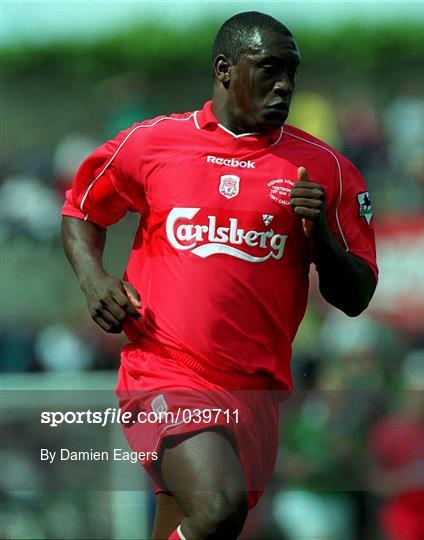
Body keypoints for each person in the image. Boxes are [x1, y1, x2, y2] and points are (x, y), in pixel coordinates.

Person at [61, 11, 378, 540]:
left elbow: (357, 296)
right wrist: (95, 280)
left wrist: (320, 233)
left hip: (257, 390)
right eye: (270, 69)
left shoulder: (326, 170)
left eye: (292, 73)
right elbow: (82, 211)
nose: (285, 85)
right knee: (218, 507)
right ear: (225, 69)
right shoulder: (153, 143)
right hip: (165, 369)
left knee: (195, 527)